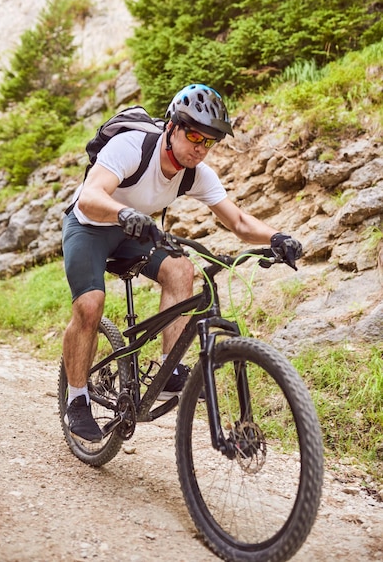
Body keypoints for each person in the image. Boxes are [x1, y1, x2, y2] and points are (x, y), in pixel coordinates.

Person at [62, 83, 302, 442]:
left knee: (183, 269)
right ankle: (77, 399)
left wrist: (276, 238)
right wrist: (124, 212)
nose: (200, 149)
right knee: (90, 305)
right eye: (194, 136)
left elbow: (236, 221)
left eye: (209, 142)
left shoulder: (196, 173)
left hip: (133, 231)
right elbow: (90, 198)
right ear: (172, 127)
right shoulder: (132, 147)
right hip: (90, 226)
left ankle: (166, 372)